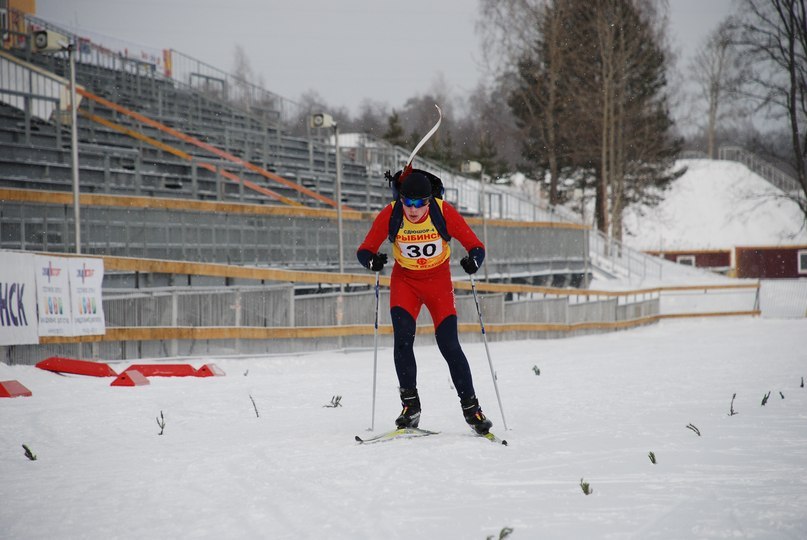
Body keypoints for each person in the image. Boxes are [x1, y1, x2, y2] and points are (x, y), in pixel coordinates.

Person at [356, 169, 493, 435]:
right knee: (403, 341)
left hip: (438, 283)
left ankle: (472, 409)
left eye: (420, 203)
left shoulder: (443, 212)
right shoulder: (391, 213)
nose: (413, 209)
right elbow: (364, 250)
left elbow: (476, 246)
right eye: (408, 202)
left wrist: (474, 261)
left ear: (429, 201)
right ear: (401, 200)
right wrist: (371, 261)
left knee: (449, 345)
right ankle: (410, 407)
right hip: (405, 283)